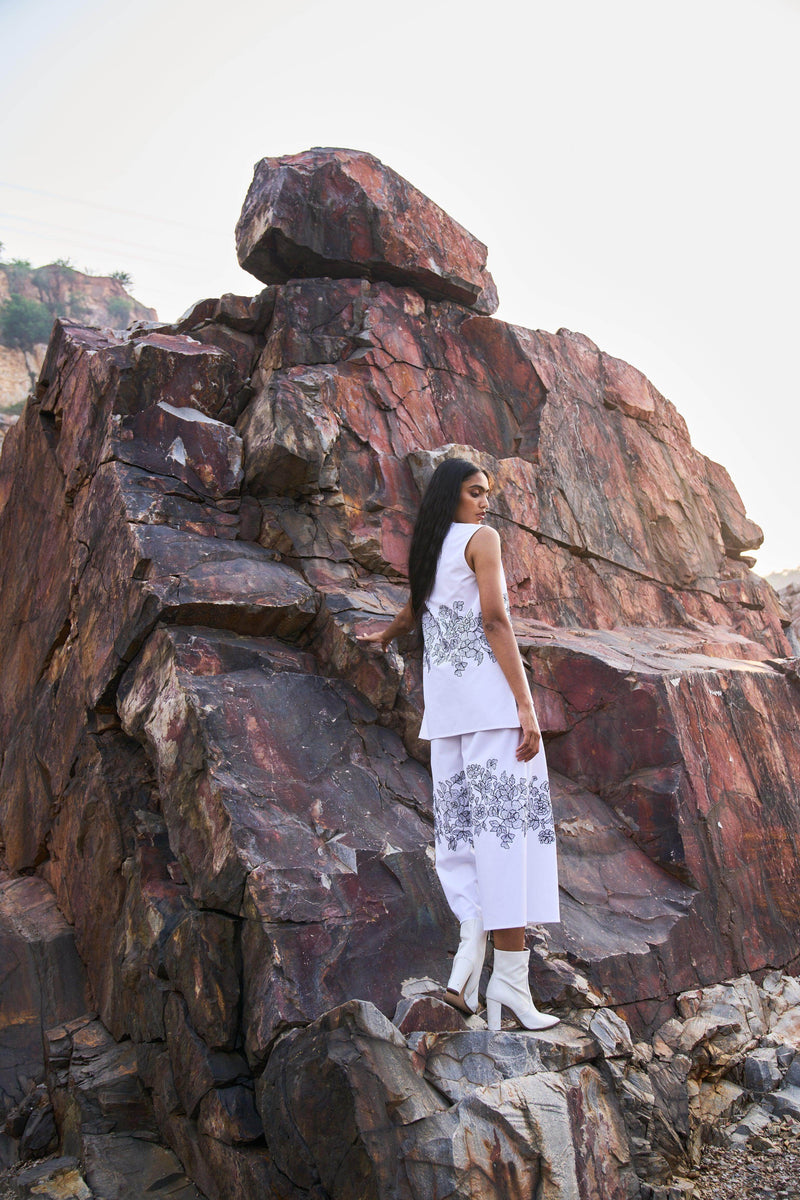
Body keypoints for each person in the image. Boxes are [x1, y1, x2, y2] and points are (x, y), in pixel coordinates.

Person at [358, 457, 560, 1031]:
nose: (485, 503)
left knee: (463, 840)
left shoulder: (429, 548)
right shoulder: (481, 540)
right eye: (475, 492)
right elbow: (495, 620)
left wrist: (384, 635)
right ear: (451, 495)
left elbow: (415, 609)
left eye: (487, 494)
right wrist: (525, 706)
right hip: (492, 713)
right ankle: (509, 985)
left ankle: (469, 963)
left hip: (446, 719)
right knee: (506, 839)